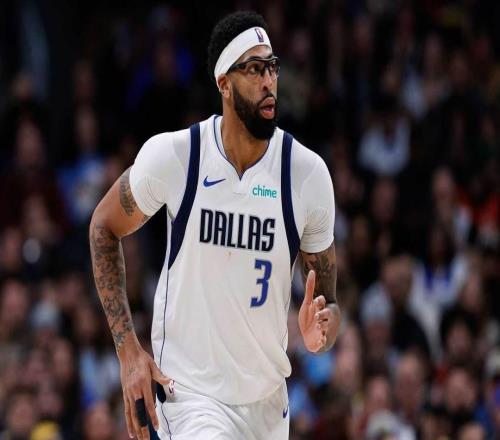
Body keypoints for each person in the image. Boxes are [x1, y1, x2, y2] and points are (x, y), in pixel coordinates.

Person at [89, 11, 340, 440]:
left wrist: (322, 331)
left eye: (273, 67)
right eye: (254, 69)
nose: (269, 81)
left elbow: (329, 305)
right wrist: (128, 351)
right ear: (224, 83)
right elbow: (103, 226)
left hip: (267, 404)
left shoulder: (306, 174)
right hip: (191, 396)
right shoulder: (178, 157)